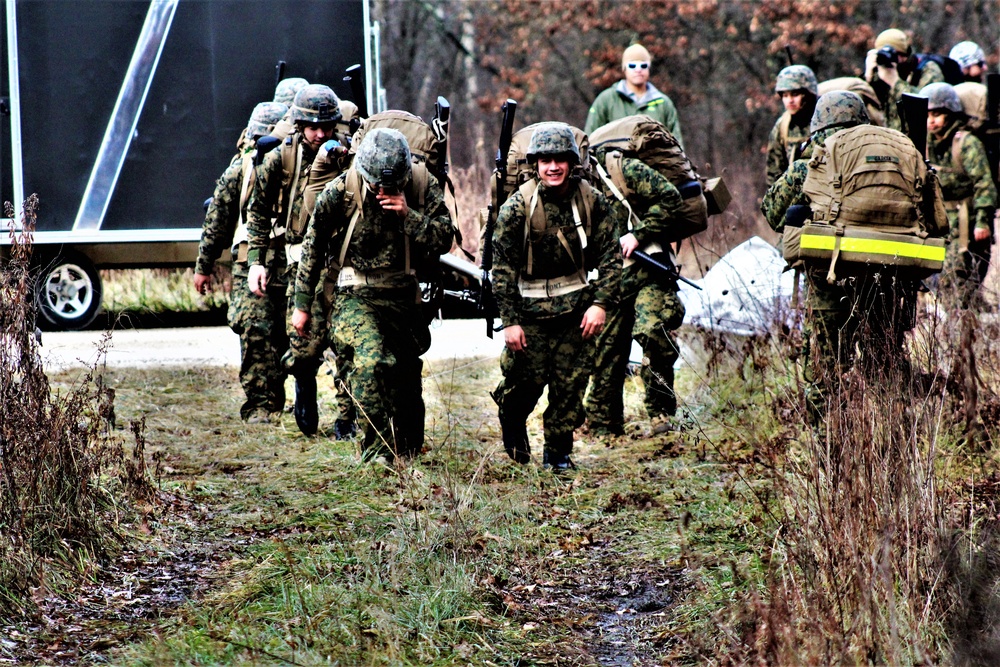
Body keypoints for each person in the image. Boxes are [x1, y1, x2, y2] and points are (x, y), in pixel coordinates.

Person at [761, 91, 948, 403]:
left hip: (829, 276)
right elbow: (937, 220)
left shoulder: (813, 162)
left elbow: (772, 213)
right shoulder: (899, 157)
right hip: (889, 274)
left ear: (818, 124)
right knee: (885, 358)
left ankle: (827, 443)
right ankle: (892, 432)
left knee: (825, 365)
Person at [293, 128, 453, 462]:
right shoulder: (340, 192)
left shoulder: (423, 186)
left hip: (402, 294)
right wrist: (302, 306)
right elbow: (312, 248)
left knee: (406, 379)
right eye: (377, 184)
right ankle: (376, 451)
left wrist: (408, 214)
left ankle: (405, 448)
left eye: (391, 185)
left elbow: (442, 239)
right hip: (355, 292)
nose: (383, 191)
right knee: (369, 364)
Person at [490, 123, 621, 470]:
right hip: (529, 313)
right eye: (545, 160)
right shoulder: (517, 207)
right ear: (535, 164)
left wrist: (600, 303)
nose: (553, 167)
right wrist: (510, 321)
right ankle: (512, 417)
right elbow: (501, 269)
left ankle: (558, 455)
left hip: (576, 310)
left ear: (572, 162)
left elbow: (611, 256)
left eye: (560, 160)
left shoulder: (592, 199)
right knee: (526, 386)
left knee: (570, 386)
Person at [246, 84, 343, 436]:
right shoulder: (280, 158)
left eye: (327, 127)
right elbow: (256, 210)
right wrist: (256, 260)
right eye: (313, 127)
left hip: (339, 264)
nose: (320, 134)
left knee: (345, 338)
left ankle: (348, 417)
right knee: (302, 342)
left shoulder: (345, 155)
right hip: (299, 265)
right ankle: (305, 394)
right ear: (300, 125)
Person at [194, 101, 289, 424]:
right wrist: (203, 266)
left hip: (292, 263)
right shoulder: (242, 169)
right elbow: (217, 220)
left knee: (294, 337)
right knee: (256, 332)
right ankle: (263, 405)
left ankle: (298, 402)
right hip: (251, 263)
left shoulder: (300, 167)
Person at [584, 146, 686, 437]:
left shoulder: (621, 169)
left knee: (654, 332)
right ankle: (605, 426)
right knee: (605, 352)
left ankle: (661, 414)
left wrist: (638, 235)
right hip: (607, 282)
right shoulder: (558, 189)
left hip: (648, 272)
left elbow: (671, 198)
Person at [921, 82, 998, 309]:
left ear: (951, 114)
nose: (931, 120)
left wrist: (983, 222)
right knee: (943, 283)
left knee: (958, 281)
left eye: (937, 114)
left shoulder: (967, 144)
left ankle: (962, 336)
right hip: (941, 223)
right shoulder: (927, 144)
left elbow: (984, 184)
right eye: (927, 115)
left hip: (967, 222)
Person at [584, 44, 683, 145]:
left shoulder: (663, 103)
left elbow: (677, 146)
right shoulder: (606, 100)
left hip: (654, 160)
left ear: (649, 68)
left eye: (643, 65)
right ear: (624, 68)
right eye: (632, 65)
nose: (638, 70)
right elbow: (590, 139)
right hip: (614, 159)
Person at [866, 28, 944, 131]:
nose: (887, 58)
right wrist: (868, 79)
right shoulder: (879, 72)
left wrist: (895, 82)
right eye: (882, 54)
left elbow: (925, 107)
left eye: (892, 54)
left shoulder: (928, 70)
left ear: (904, 56)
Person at [766, 65, 819, 187]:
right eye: (785, 95)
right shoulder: (782, 126)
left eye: (795, 94)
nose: (789, 100)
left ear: (808, 94)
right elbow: (774, 173)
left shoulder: (825, 120)